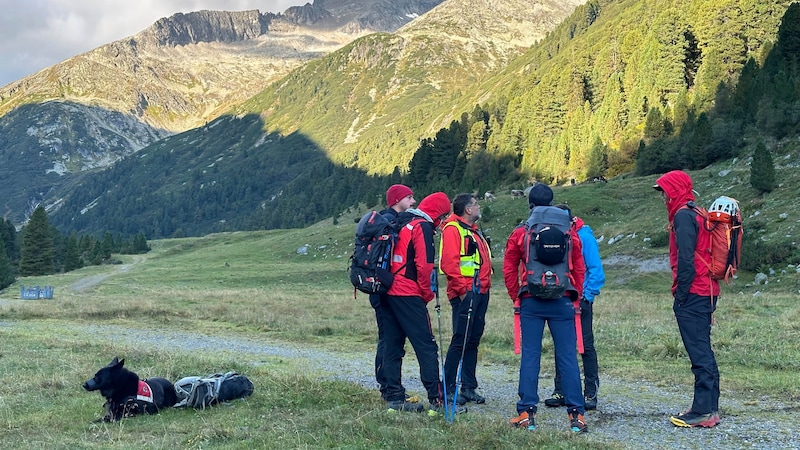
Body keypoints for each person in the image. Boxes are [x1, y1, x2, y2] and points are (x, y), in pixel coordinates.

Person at [503, 183, 588, 433]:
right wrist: (576, 295)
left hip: (531, 299)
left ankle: (526, 412)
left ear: (530, 203)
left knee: (531, 356)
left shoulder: (522, 231)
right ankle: (577, 416)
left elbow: (509, 267)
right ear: (552, 202)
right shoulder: (569, 230)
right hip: (563, 300)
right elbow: (580, 266)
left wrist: (515, 296)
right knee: (568, 358)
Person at [653, 170, 721, 428]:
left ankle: (702, 411)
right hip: (707, 290)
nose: (664, 198)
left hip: (693, 292)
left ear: (676, 190)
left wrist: (680, 295)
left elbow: (686, 261)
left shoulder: (683, 216)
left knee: (699, 353)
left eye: (665, 192)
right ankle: (709, 407)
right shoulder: (696, 212)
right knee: (704, 349)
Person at [382, 192, 452, 413]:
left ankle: (394, 397)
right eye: (443, 217)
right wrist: (427, 294)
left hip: (389, 291)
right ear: (438, 214)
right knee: (426, 346)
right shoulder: (421, 226)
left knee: (393, 344)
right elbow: (424, 266)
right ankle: (438, 400)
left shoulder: (402, 221)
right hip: (409, 293)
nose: (442, 224)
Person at [544, 204, 605, 411]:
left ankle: (590, 392)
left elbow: (596, 270)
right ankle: (561, 390)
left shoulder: (585, 237)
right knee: (562, 345)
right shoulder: (557, 235)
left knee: (585, 345)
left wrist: (586, 297)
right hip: (561, 299)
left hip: (581, 300)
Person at [439, 193, 492, 406]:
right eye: (476, 204)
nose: (479, 207)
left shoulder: (472, 231)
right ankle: (448, 389)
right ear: (468, 210)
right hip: (467, 292)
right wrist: (463, 292)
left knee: (473, 340)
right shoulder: (453, 230)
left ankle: (469, 387)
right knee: (460, 340)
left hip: (480, 291)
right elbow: (449, 264)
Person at [371, 184, 416, 405]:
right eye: (409, 198)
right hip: (387, 290)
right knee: (391, 340)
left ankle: (388, 385)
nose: (413, 202)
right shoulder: (391, 222)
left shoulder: (384, 220)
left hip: (381, 288)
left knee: (388, 339)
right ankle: (390, 388)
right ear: (397, 200)